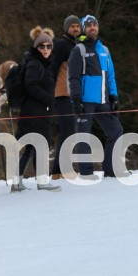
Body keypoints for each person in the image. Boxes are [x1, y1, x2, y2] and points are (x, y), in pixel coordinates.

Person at [67, 15, 125, 178]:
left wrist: (113, 96)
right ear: (84, 29)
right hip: (86, 101)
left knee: (116, 130)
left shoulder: (104, 50)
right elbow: (73, 78)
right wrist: (76, 100)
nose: (93, 27)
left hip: (103, 100)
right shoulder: (79, 50)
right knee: (83, 135)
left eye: (95, 25)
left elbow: (110, 75)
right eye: (89, 25)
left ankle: (110, 169)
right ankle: (86, 172)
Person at [11, 27, 61, 192]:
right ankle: (41, 181)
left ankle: (17, 182)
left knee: (31, 147)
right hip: (35, 113)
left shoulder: (41, 63)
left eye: (49, 46)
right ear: (36, 47)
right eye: (42, 46)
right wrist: (48, 99)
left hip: (36, 111)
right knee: (40, 145)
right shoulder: (35, 63)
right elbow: (30, 84)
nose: (45, 49)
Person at [50, 15, 81, 179]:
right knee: (67, 131)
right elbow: (53, 68)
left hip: (73, 94)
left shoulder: (77, 45)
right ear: (66, 28)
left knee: (70, 132)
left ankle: (58, 170)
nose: (75, 29)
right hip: (63, 94)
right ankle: (62, 169)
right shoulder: (62, 45)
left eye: (77, 26)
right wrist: (51, 92)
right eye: (72, 26)